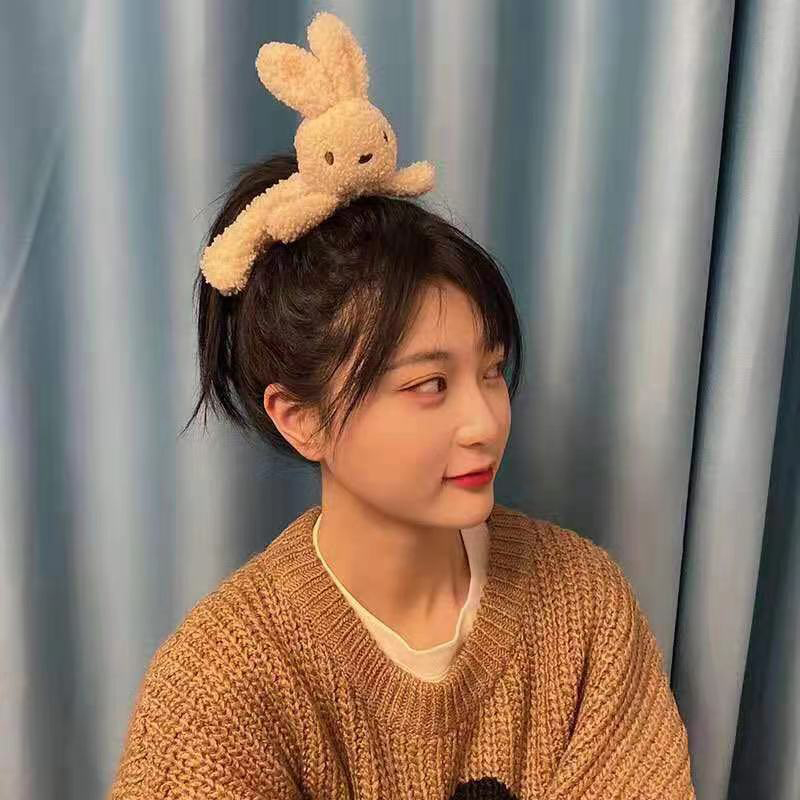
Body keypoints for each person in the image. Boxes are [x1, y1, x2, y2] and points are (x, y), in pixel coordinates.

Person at [106, 11, 695, 800]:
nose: (486, 423)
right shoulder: (218, 687)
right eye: (429, 386)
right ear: (300, 417)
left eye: (492, 371)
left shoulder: (583, 604)